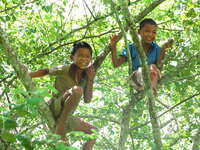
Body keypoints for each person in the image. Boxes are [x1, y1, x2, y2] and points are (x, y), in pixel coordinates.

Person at [29, 41, 97, 150]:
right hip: (55, 107)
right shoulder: (66, 68)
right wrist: (28, 75)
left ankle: (63, 124)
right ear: (72, 57)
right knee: (77, 90)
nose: (84, 59)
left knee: (94, 132)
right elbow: (46, 71)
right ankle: (61, 126)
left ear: (91, 59)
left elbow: (87, 100)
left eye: (87, 56)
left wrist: (91, 79)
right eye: (80, 55)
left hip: (66, 115)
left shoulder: (86, 76)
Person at [110, 18, 173, 94]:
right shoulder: (131, 48)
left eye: (154, 32)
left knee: (153, 67)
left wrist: (163, 50)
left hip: (152, 79)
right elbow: (116, 64)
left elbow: (159, 68)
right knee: (144, 69)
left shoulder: (157, 49)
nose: (150, 34)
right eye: (147, 31)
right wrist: (113, 45)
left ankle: (152, 89)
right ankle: (149, 84)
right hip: (136, 79)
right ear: (139, 32)